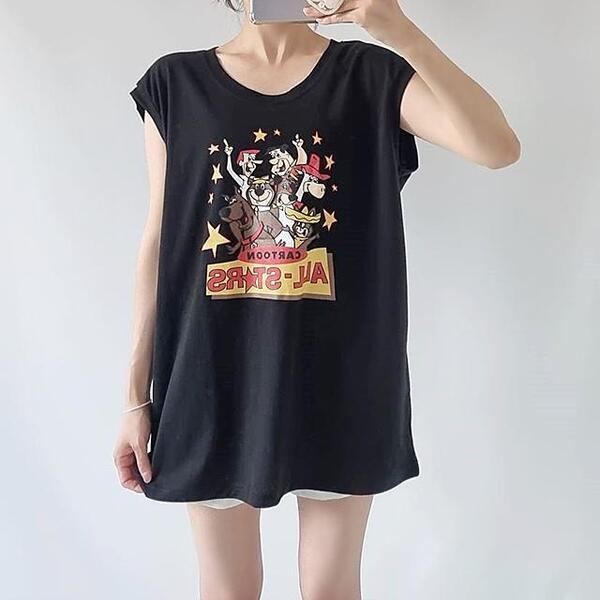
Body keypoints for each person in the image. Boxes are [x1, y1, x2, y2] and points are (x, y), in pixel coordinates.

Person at [113, 0, 520, 598]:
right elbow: (158, 239)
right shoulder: (176, 83)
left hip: (341, 374)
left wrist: (397, 29)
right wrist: (135, 397)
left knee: (330, 586)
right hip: (210, 371)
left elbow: (497, 147)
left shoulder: (369, 76)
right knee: (227, 589)